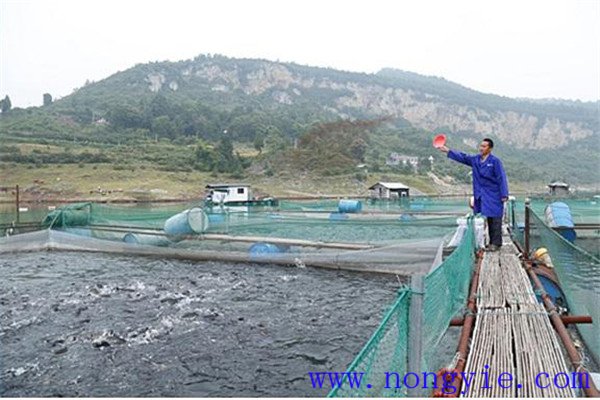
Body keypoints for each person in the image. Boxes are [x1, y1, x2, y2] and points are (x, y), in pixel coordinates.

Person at [438, 138, 509, 251]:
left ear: (490, 149)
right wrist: (448, 151)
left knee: (495, 217)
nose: (481, 148)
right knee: (486, 216)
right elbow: (463, 157)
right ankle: (488, 242)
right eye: (481, 146)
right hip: (481, 193)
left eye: (484, 146)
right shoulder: (475, 159)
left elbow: (501, 178)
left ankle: (496, 243)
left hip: (494, 193)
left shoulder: (495, 161)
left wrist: (504, 194)